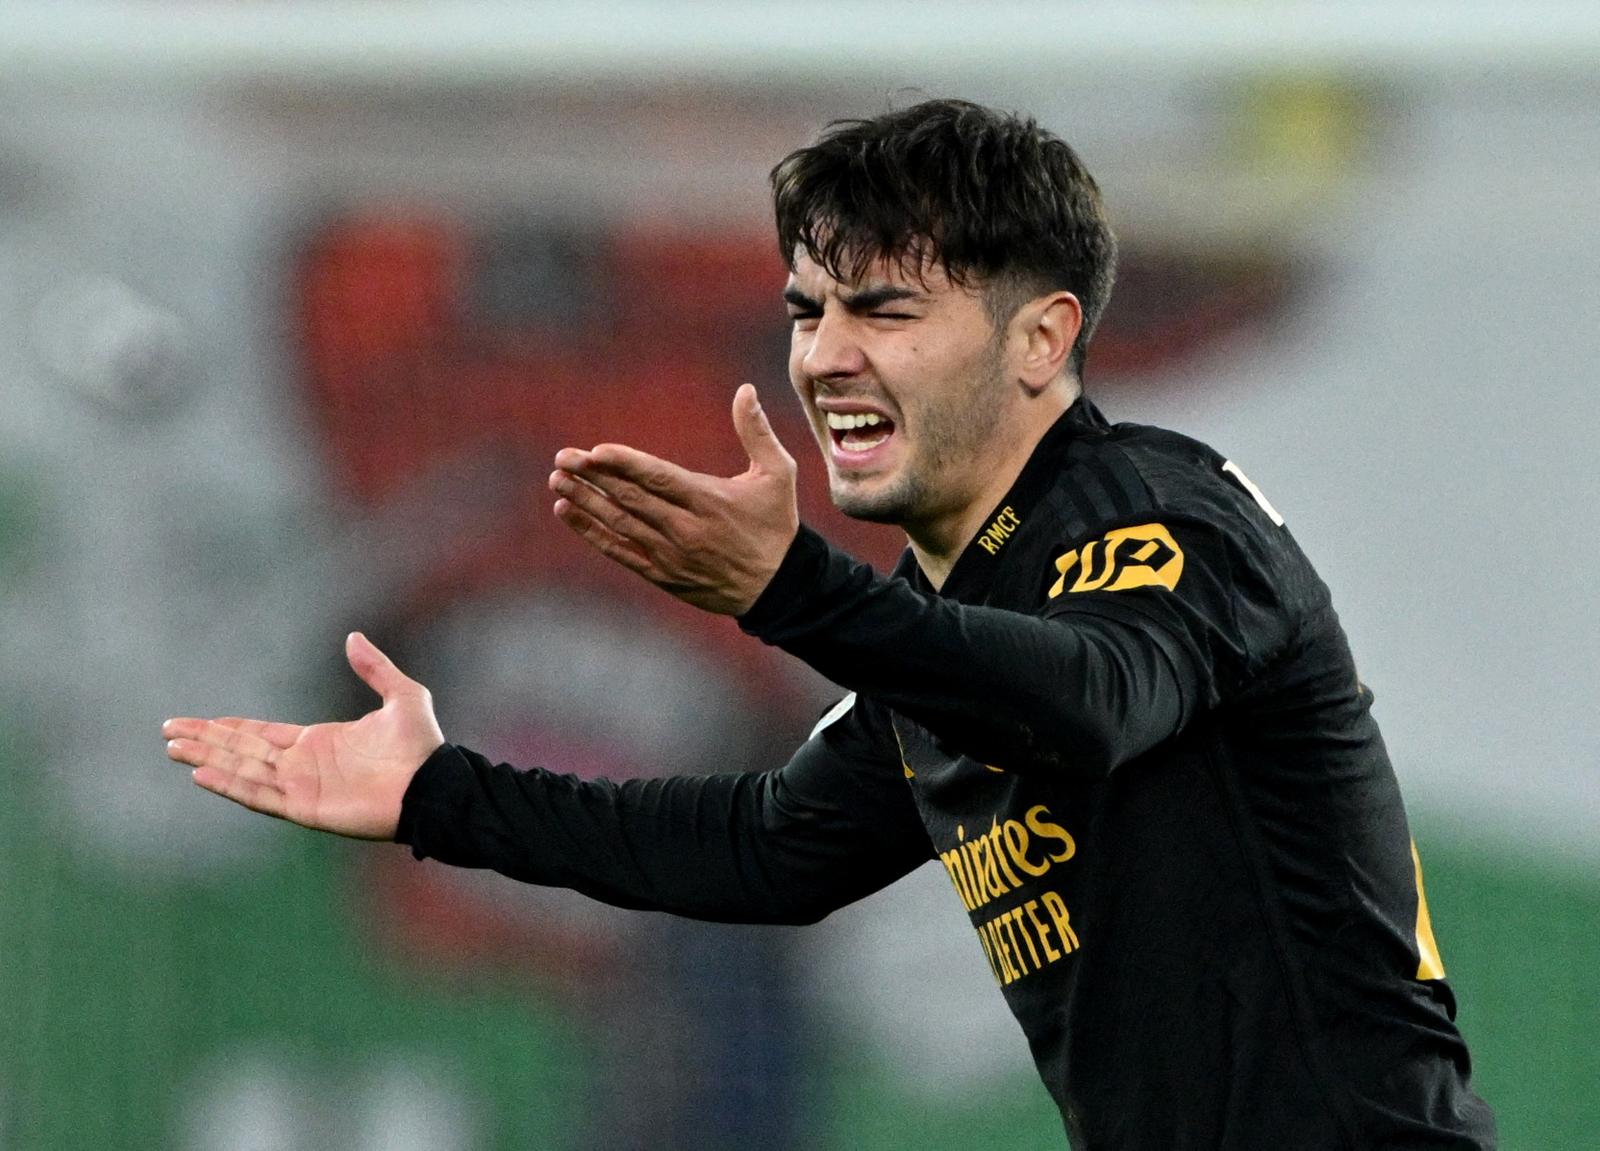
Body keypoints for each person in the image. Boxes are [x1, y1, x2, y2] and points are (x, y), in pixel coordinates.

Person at [164, 99, 1496, 1149]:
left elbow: (351, 134)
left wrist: (634, 150)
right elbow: (1240, 254)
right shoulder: (910, 535)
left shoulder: (396, 423)